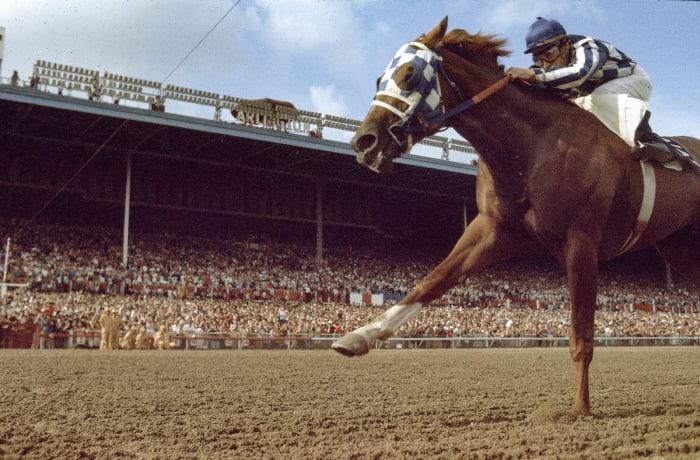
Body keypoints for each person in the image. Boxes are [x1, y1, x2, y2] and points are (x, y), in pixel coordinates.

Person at [505, 17, 674, 163]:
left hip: (633, 79)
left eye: (549, 55)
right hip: (600, 88)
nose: (546, 64)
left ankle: (651, 140)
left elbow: (579, 73)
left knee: (599, 98)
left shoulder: (588, 46)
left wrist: (533, 74)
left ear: (565, 43)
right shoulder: (550, 64)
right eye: (539, 59)